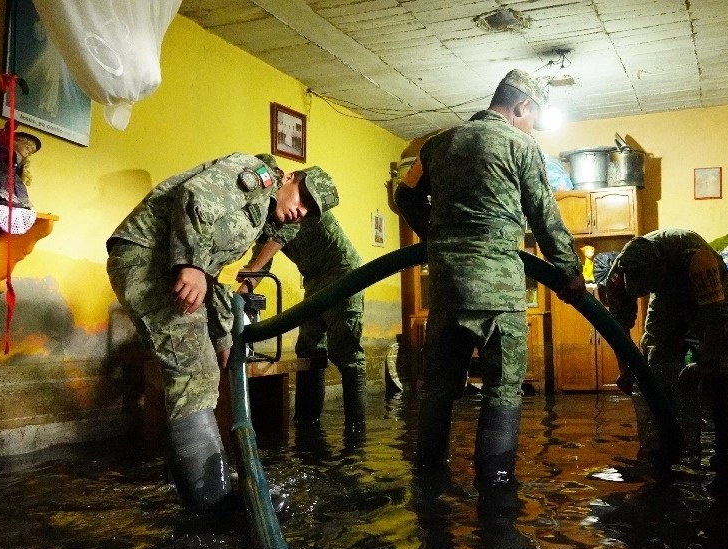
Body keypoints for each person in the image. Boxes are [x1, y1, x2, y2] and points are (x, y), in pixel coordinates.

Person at [394, 69, 586, 486]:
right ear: (522, 107)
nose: (531, 125)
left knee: (438, 391)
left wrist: (436, 237)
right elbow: (544, 215)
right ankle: (496, 485)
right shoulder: (521, 144)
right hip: (498, 291)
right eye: (532, 117)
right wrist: (569, 272)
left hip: (446, 287)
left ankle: (428, 480)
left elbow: (404, 197)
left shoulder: (437, 143)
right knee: (502, 390)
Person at [106, 152, 314, 514]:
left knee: (199, 370)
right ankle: (211, 503)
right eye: (304, 198)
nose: (302, 210)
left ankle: (186, 483)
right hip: (149, 259)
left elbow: (214, 276)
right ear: (289, 177)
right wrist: (191, 264)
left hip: (162, 265)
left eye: (311, 211)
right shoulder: (257, 175)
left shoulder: (259, 213)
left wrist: (222, 339)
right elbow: (195, 197)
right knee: (194, 374)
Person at [601, 229, 728, 491]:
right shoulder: (619, 274)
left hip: (707, 295)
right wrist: (627, 370)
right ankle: (664, 441)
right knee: (655, 354)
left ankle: (725, 450)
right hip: (666, 297)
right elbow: (617, 328)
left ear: (662, 267)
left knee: (721, 364)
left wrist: (703, 365)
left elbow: (716, 321)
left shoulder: (697, 258)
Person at [236, 164, 367, 431]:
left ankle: (357, 428)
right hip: (313, 278)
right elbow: (265, 259)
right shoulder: (270, 211)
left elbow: (282, 237)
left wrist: (251, 272)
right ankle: (308, 422)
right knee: (308, 349)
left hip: (343, 274)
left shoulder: (300, 209)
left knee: (346, 352)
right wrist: (240, 296)